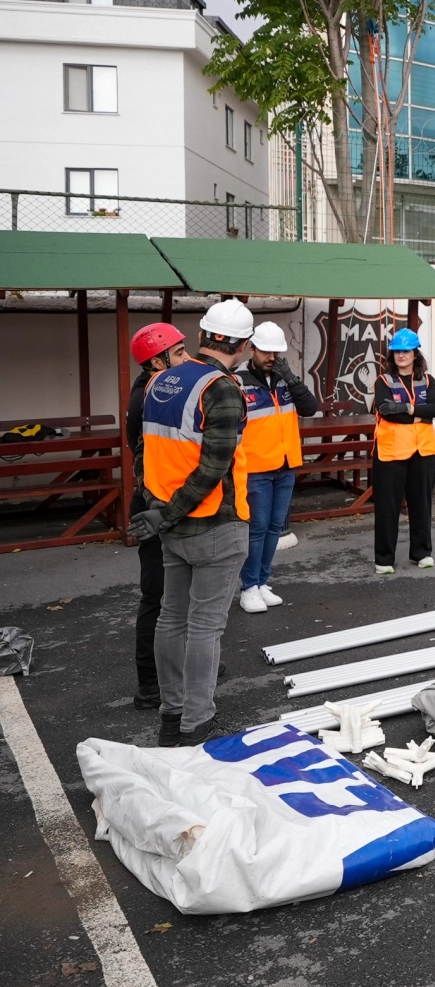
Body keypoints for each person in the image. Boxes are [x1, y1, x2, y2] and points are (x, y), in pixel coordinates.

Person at [128, 298, 254, 747]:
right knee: (203, 627)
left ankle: (170, 714)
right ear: (242, 345)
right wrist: (170, 510)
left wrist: (157, 508)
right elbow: (214, 465)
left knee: (170, 619)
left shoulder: (160, 379)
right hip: (213, 524)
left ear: (202, 336)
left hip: (170, 526)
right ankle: (195, 723)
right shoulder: (220, 387)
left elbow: (144, 452)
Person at [124, 321, 188, 709]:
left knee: (178, 594)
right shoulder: (148, 396)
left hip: (164, 502)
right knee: (157, 596)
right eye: (178, 353)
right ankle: (150, 684)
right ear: (156, 361)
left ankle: (184, 665)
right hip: (154, 505)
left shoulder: (156, 388)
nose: (186, 358)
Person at [234, 322, 318, 613]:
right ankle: (248, 587)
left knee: (273, 529)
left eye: (277, 352)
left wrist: (292, 379)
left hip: (285, 463)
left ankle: (261, 582)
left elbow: (310, 407)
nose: (272, 357)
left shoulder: (284, 378)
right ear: (252, 349)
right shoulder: (237, 379)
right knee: (256, 529)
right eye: (266, 351)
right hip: (255, 465)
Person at [371, 328, 435, 574]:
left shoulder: (428, 380)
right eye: (397, 351)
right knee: (387, 507)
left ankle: (422, 553)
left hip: (423, 452)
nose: (401, 355)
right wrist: (418, 413)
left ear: (415, 353)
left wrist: (407, 409)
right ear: (392, 355)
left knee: (421, 503)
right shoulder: (383, 381)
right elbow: (385, 409)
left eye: (406, 351)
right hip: (390, 453)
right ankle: (384, 560)